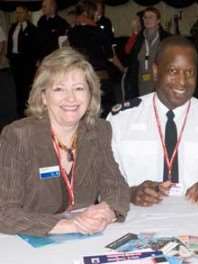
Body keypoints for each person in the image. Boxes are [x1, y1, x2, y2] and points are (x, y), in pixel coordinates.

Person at [0, 47, 130, 236]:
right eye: (59, 89)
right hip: (27, 240)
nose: (71, 98)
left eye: (79, 88)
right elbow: (4, 212)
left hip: (83, 240)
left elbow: (116, 185)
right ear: (43, 96)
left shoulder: (98, 130)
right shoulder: (18, 136)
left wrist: (108, 210)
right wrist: (71, 225)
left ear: (90, 94)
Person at [108, 36, 198, 207]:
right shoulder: (121, 121)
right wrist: (129, 193)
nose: (182, 82)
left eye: (189, 72)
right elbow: (106, 188)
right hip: (137, 223)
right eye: (173, 71)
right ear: (156, 71)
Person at [68, 0, 124, 116]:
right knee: (107, 114)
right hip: (100, 79)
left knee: (84, 115)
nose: (97, 15)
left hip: (81, 79)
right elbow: (111, 56)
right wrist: (123, 69)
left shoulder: (71, 33)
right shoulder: (99, 31)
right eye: (94, 12)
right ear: (87, 13)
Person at [125, 6, 171, 99]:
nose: (147, 20)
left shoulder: (167, 38)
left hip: (160, 83)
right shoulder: (139, 37)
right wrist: (134, 33)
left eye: (151, 17)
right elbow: (128, 52)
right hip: (140, 82)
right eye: (145, 17)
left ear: (158, 20)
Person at [7, 5, 38, 117]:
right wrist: (9, 57)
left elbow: (35, 47)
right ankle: (19, 109)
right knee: (18, 86)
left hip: (27, 62)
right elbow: (10, 44)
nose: (18, 15)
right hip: (15, 60)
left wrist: (34, 62)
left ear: (27, 13)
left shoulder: (32, 29)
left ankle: (28, 109)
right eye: (17, 13)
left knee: (27, 86)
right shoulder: (13, 27)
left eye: (20, 12)